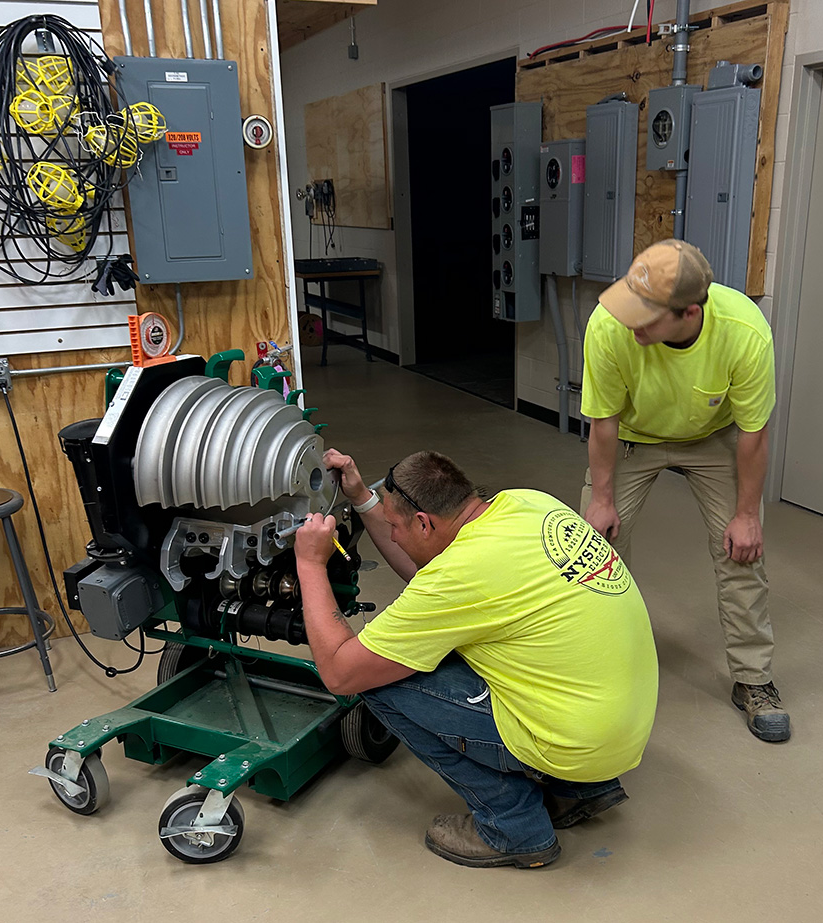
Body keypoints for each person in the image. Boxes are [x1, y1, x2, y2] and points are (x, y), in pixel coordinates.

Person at [293, 448, 658, 869]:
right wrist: (362, 498)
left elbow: (341, 671)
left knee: (374, 679)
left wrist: (310, 565)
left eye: (395, 526)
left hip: (575, 744)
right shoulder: (527, 503)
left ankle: (513, 826)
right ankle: (573, 791)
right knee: (450, 643)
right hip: (619, 726)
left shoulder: (459, 575)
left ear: (425, 522)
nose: (391, 536)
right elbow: (427, 571)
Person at [580, 238, 789, 743]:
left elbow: (753, 435)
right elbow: (603, 424)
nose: (632, 324)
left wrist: (747, 515)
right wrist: (602, 501)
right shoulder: (609, 326)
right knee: (591, 550)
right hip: (630, 436)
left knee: (742, 551)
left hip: (712, 438)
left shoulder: (743, 333)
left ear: (689, 313)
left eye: (646, 317)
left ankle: (753, 680)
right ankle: (605, 667)